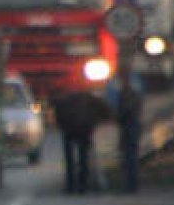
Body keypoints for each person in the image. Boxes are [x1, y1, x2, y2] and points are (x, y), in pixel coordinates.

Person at [52, 90, 111, 194]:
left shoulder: (63, 101)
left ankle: (70, 185)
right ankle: (82, 185)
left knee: (70, 159)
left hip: (69, 129)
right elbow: (105, 112)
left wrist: (63, 127)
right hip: (83, 128)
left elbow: (58, 118)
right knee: (83, 157)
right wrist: (95, 123)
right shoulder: (91, 98)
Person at [107, 64, 144, 193]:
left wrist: (117, 116)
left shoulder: (127, 93)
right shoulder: (134, 90)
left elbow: (126, 110)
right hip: (131, 126)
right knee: (130, 155)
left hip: (129, 126)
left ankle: (130, 184)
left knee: (129, 156)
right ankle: (131, 183)